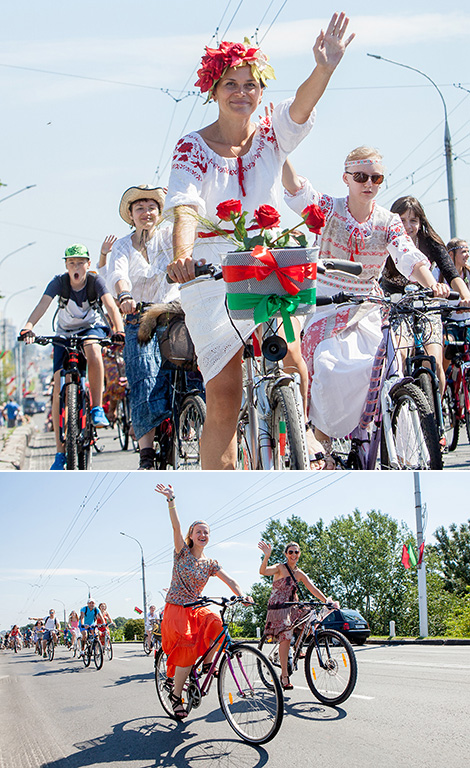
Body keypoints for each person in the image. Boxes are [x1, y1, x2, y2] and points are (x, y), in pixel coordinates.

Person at [164, 12, 354, 469]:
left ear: (261, 92)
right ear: (213, 90)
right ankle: (223, 475)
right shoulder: (192, 147)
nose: (241, 93)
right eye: (231, 83)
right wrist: (183, 255)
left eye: (250, 85)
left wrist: (325, 67)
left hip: (268, 262)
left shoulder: (272, 135)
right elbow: (186, 207)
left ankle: (299, 442)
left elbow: (301, 110)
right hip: (212, 270)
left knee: (293, 362)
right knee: (226, 394)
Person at [283, 146, 450, 467]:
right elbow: (294, 187)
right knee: (330, 367)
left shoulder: (388, 221)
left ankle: (396, 448)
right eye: (360, 176)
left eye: (376, 177)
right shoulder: (328, 209)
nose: (368, 183)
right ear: (346, 178)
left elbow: (407, 256)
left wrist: (433, 284)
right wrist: (279, 144)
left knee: (388, 368)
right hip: (328, 302)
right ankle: (323, 440)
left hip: (368, 304)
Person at [19, 244, 125, 470]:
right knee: (59, 385)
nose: (75, 267)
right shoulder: (59, 282)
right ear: (66, 266)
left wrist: (118, 329)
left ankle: (96, 408)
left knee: (93, 347)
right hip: (64, 333)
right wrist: (28, 326)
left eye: (80, 263)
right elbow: (42, 305)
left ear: (88, 264)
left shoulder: (96, 282)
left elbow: (110, 306)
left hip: (91, 328)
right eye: (71, 263)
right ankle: (60, 453)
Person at [155, 483, 251, 719]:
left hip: (195, 607)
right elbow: (175, 526)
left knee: (217, 623)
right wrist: (171, 500)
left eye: (206, 532)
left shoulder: (210, 563)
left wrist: (242, 595)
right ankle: (176, 695)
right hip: (177, 608)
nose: (203, 535)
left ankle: (208, 664)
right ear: (191, 535)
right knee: (187, 648)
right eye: (198, 531)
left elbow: (231, 581)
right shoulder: (182, 553)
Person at [107, 185, 180, 469]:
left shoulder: (169, 237)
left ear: (159, 212)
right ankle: (146, 453)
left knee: (188, 371)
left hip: (173, 312)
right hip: (139, 316)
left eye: (152, 207)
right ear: (131, 215)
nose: (146, 213)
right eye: (140, 208)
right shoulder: (123, 245)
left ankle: (188, 418)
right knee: (144, 378)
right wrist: (124, 295)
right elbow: (118, 273)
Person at [380, 198, 470, 395]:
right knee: (398, 357)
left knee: (435, 365)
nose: (408, 226)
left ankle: (433, 418)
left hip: (427, 303)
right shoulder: (384, 239)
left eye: (413, 220)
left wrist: (465, 295)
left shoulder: (429, 243)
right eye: (402, 220)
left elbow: (452, 273)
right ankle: (400, 406)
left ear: (421, 222)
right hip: (396, 304)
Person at [258, 540, 333, 690]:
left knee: (311, 616)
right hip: (278, 607)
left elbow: (313, 588)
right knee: (285, 635)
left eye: (296, 552)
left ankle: (297, 648)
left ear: (299, 554)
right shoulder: (279, 568)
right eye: (290, 552)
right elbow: (263, 571)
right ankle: (284, 675)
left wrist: (326, 600)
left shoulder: (299, 573)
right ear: (286, 554)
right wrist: (266, 556)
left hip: (293, 606)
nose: (293, 555)